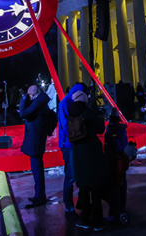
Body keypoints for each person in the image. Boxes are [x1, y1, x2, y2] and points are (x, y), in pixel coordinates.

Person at [68, 91, 108, 230]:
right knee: (95, 188)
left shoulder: (71, 113)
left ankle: (84, 218)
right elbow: (100, 129)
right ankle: (97, 220)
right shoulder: (88, 113)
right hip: (91, 153)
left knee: (83, 187)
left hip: (78, 154)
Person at [19, 84, 51, 208]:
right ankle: (39, 194)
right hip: (37, 139)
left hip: (36, 140)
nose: (29, 97)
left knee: (37, 169)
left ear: (34, 94)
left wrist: (23, 99)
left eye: (30, 95)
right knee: (37, 168)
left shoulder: (38, 103)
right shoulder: (41, 102)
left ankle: (39, 196)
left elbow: (23, 113)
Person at [57, 83, 85, 218]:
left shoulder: (70, 102)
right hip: (68, 144)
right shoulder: (65, 104)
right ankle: (68, 207)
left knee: (76, 174)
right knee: (70, 175)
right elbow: (64, 126)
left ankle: (75, 204)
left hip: (73, 142)